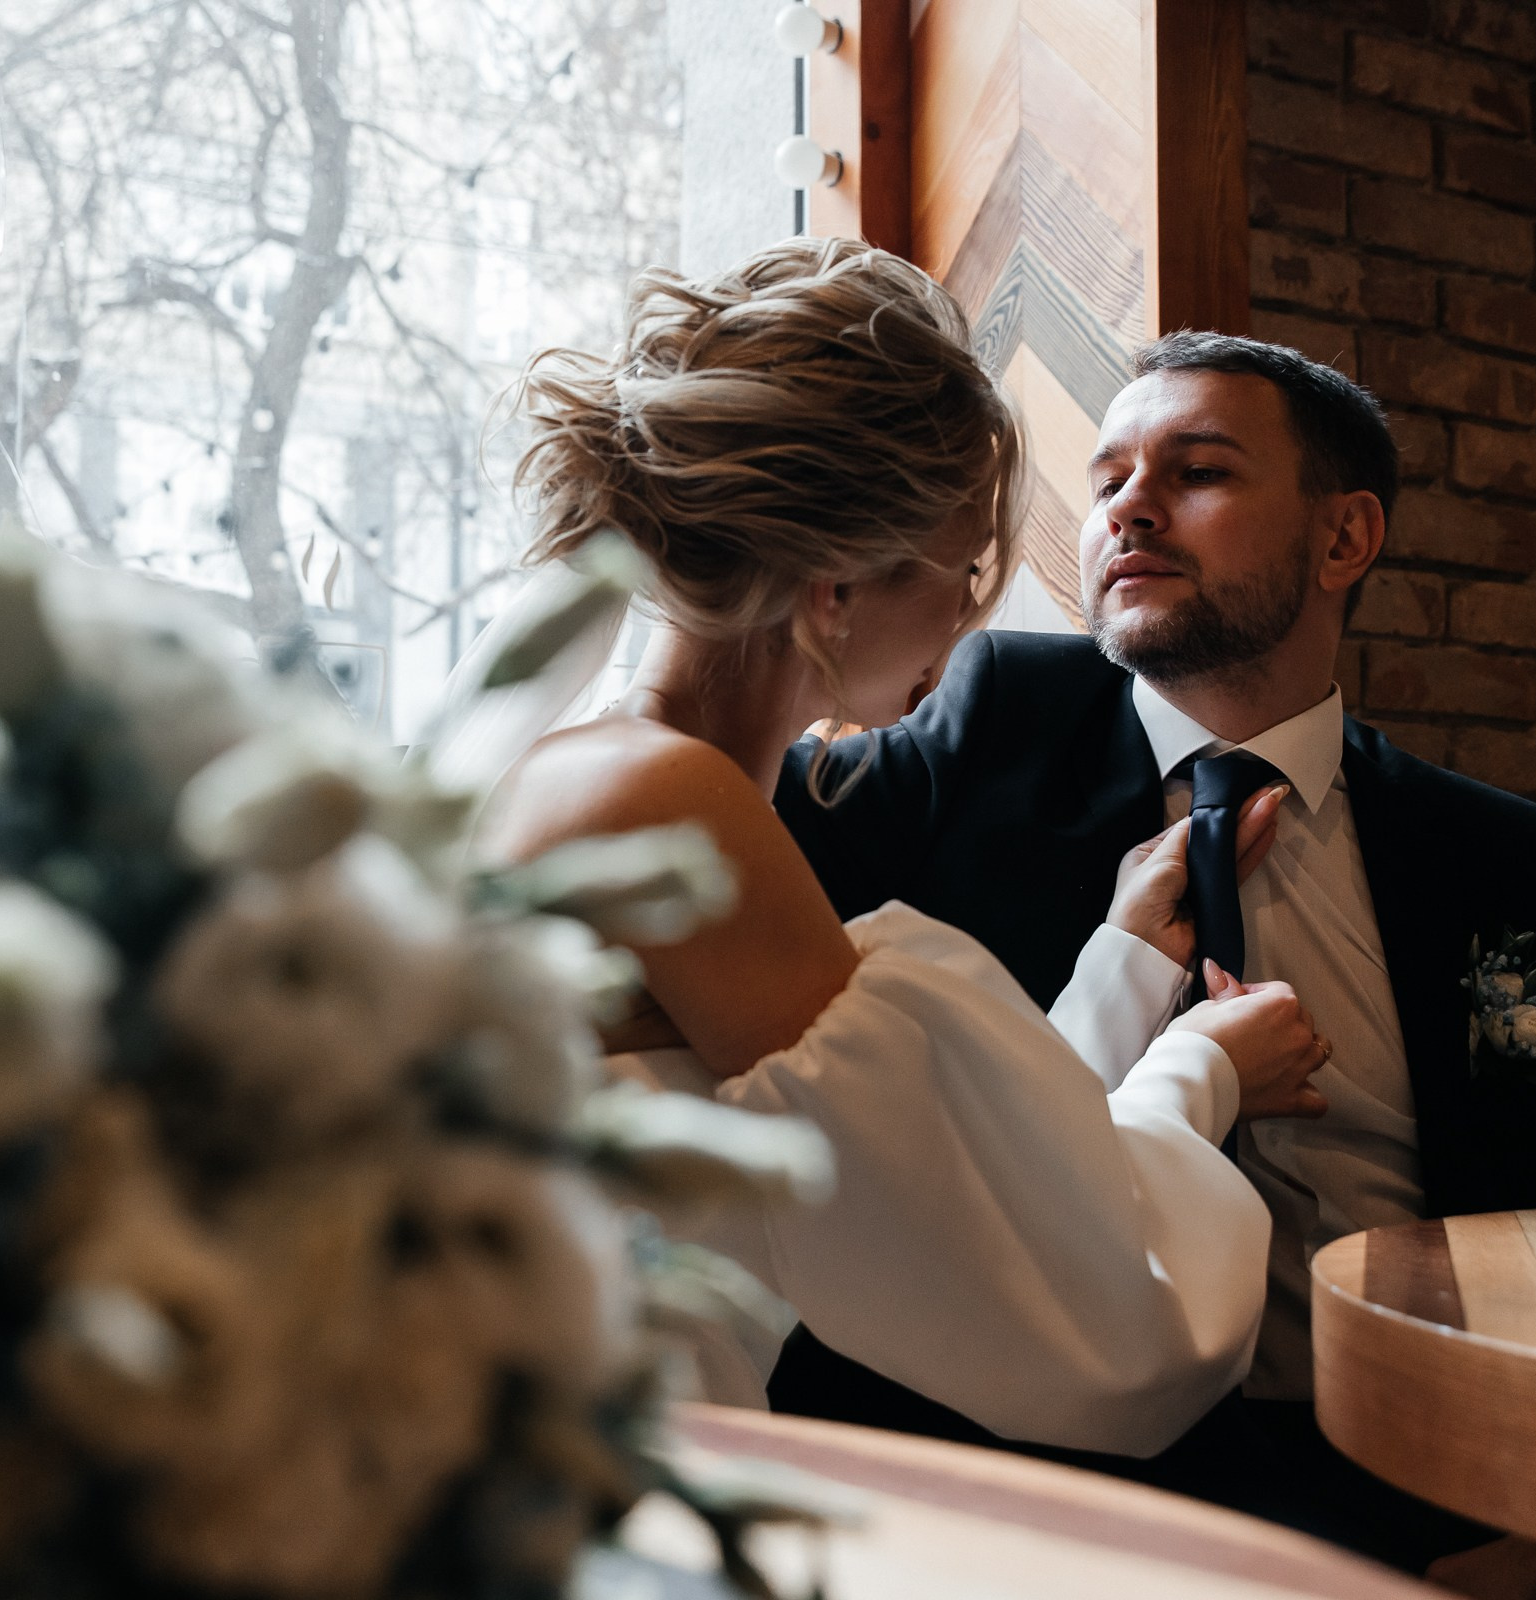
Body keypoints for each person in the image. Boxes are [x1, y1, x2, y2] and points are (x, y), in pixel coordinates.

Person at [771, 331, 1536, 1569]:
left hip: (1410, 1463)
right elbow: (725, 812)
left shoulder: (1509, 856)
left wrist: (1532, 1500)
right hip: (1047, 1474)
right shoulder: (987, 717)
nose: (1129, 509)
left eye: (1199, 473)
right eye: (1109, 477)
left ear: (1344, 540)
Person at [474, 238, 1330, 1459]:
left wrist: (1118, 969)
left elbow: (928, 1163)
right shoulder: (666, 811)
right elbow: (1087, 1324)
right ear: (839, 586)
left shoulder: (618, 775)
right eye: (968, 562)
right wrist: (1200, 1066)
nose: (971, 613)